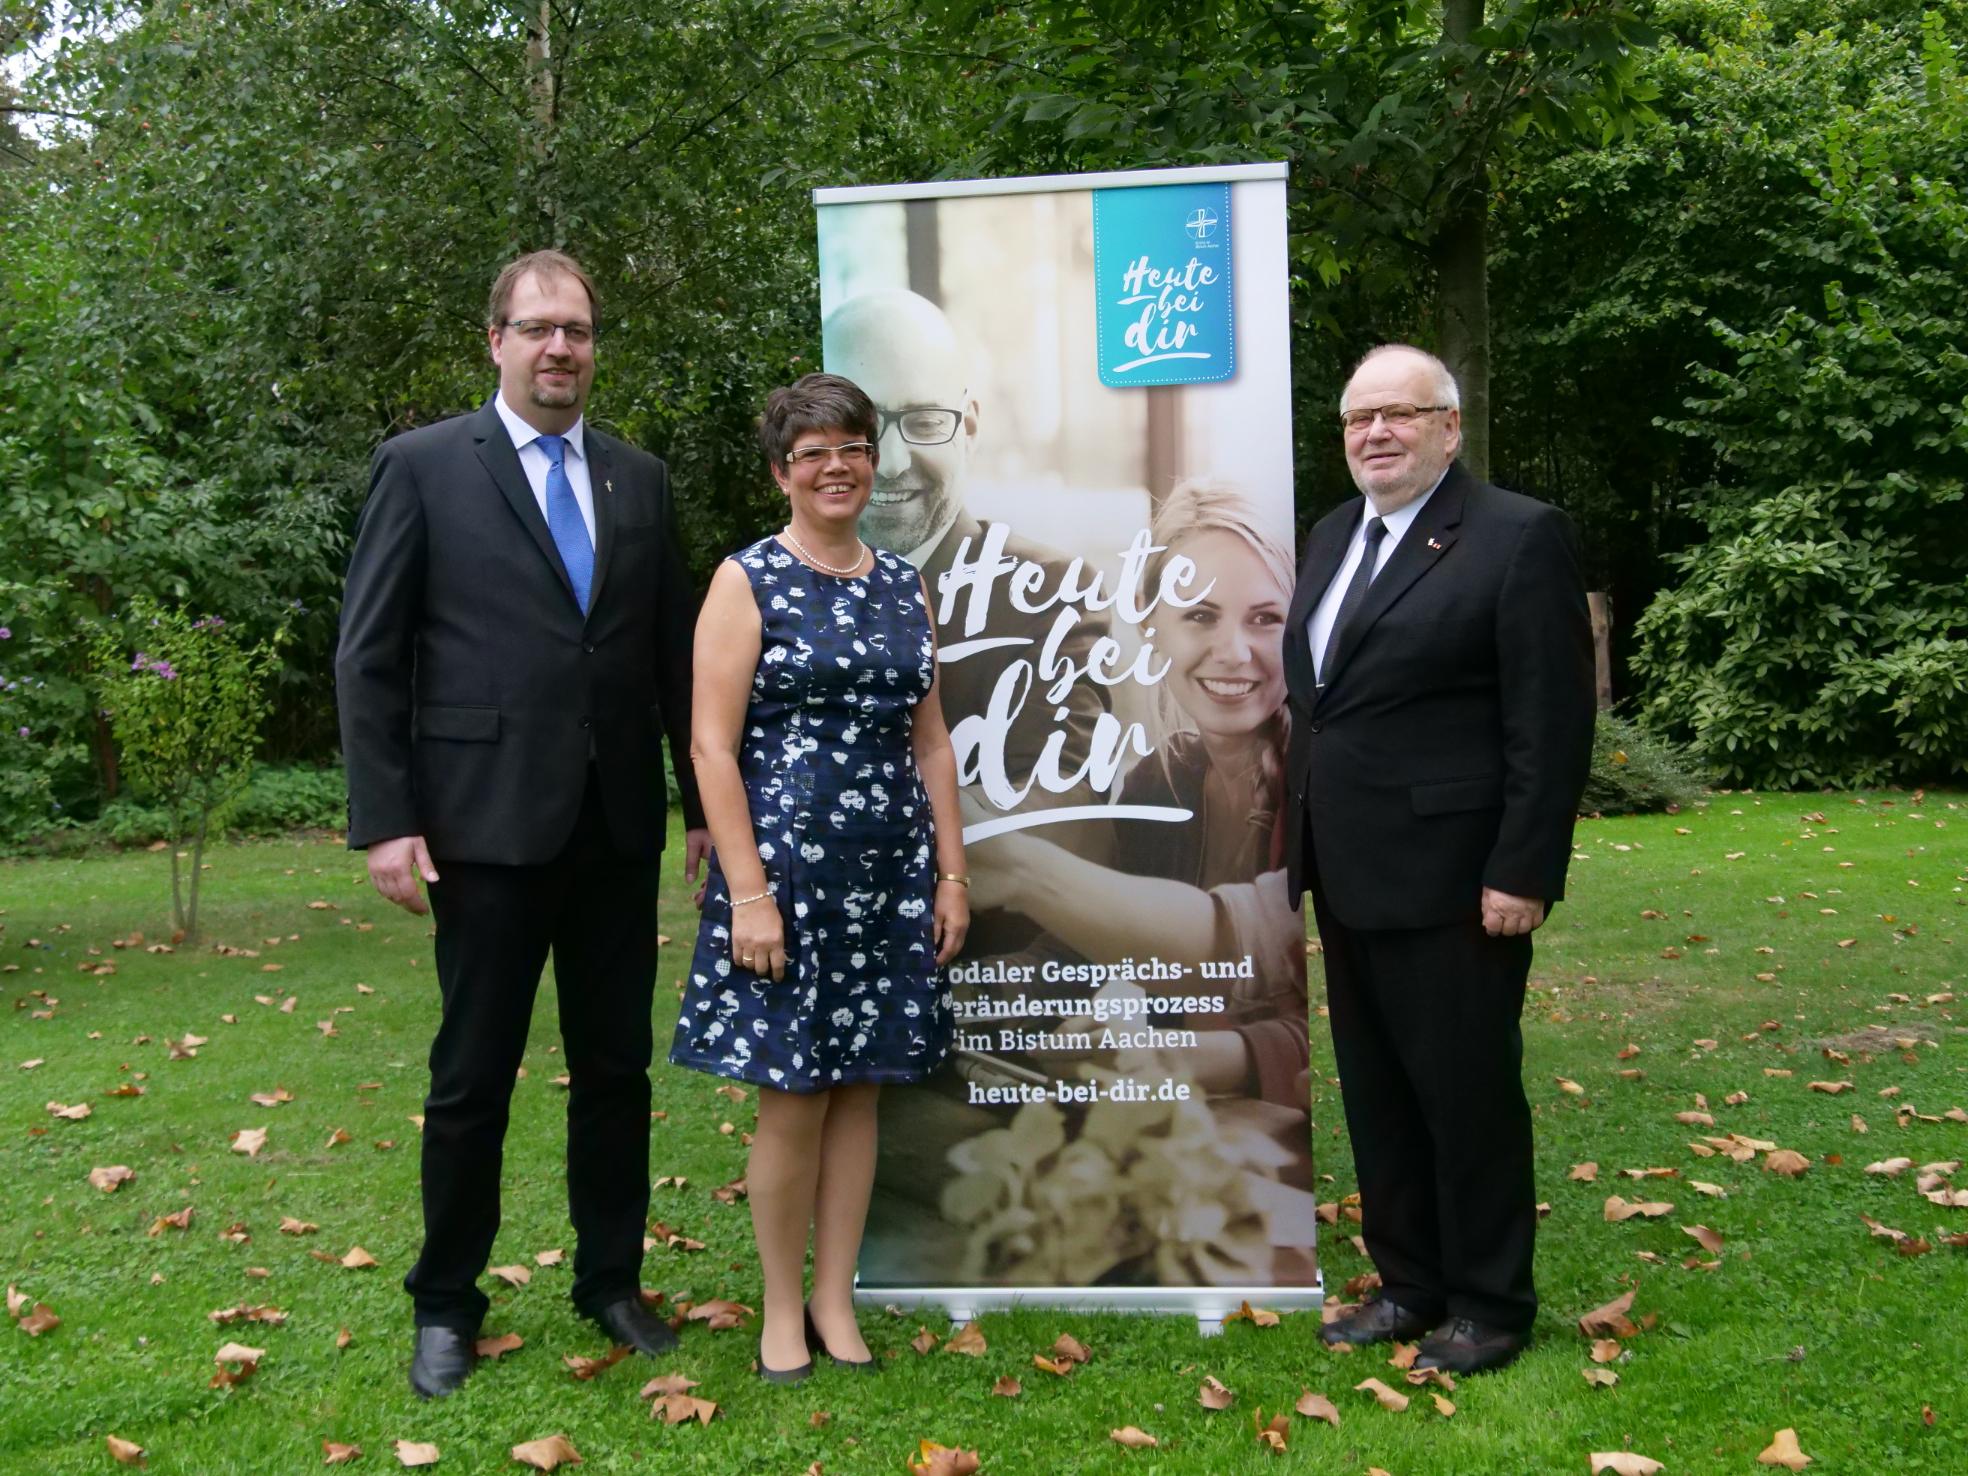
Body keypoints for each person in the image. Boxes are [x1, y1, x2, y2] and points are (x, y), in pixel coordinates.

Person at [336, 249, 708, 1399]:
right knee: (472, 1075)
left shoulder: (639, 480)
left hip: (612, 830)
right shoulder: (423, 468)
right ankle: (445, 1301)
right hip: (480, 829)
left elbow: (671, 656)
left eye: (580, 331)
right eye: (539, 328)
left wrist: (700, 809)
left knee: (616, 1071)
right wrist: (385, 821)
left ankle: (610, 1282)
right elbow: (370, 653)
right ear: (493, 339)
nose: (561, 348)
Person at [1283, 344, 1594, 1375]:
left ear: (1449, 428)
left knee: (1465, 1097)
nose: (1376, 433)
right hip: (1350, 873)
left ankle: (1492, 1304)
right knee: (1379, 1093)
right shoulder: (1332, 536)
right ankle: (1411, 1284)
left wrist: (1524, 870)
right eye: (1358, 419)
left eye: (1400, 415)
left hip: (1460, 881)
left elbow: (1548, 727)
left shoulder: (1515, 537)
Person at [669, 372, 969, 1383]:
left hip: (887, 872)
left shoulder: (901, 582)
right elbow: (712, 749)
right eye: (813, 455)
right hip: (788, 877)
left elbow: (931, 745)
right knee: (794, 1097)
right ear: (782, 474)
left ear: (870, 462)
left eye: (851, 448)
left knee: (861, 1094)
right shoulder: (745, 580)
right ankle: (779, 1312)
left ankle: (838, 1301)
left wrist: (952, 874)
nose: (836, 468)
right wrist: (747, 894)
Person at [967, 479, 1308, 1104]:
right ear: (1151, 628)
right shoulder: (1163, 780)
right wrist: (964, 1001)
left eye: (1265, 618)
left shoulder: (1323, 780)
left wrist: (1223, 1058)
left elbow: (1334, 989)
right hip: (1177, 1155)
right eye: (1200, 615)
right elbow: (1078, 956)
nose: (1234, 653)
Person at [820, 289, 1112, 866]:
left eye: (925, 422)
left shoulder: (1050, 593)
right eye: (866, 426)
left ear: (969, 428)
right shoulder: (781, 589)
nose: (894, 461)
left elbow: (1066, 802)